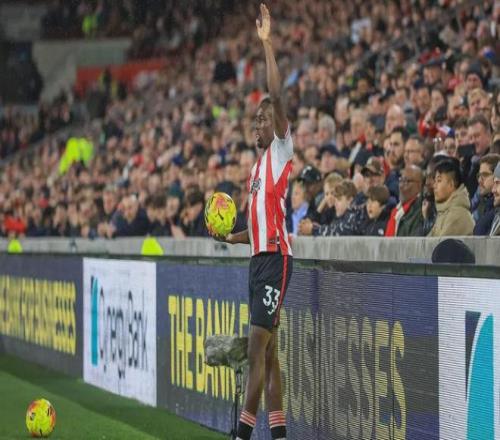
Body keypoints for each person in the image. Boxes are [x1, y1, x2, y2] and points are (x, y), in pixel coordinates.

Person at [209, 5, 292, 440]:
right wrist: (231, 237)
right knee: (270, 356)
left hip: (276, 260)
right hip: (259, 259)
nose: (257, 124)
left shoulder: (280, 151)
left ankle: (242, 435)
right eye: (254, 120)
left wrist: (267, 44)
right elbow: (256, 229)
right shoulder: (257, 170)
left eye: (263, 118)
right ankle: (278, 434)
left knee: (256, 349)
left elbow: (276, 94)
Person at [428, 158, 475, 237]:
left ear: (451, 184)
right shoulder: (444, 213)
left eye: (439, 181)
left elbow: (440, 244)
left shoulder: (457, 215)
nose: (434, 186)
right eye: (435, 181)